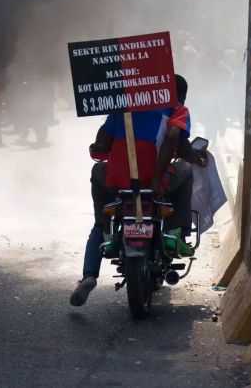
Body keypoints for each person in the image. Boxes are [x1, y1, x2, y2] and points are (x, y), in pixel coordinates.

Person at [70, 75, 202, 307]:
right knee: (186, 169)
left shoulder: (125, 108)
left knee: (98, 179)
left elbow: (102, 144)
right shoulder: (176, 109)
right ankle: (177, 229)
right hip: (155, 182)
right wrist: (190, 160)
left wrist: (98, 148)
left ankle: (91, 269)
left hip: (119, 180)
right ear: (179, 95)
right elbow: (175, 139)